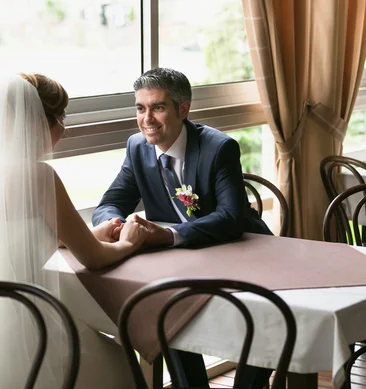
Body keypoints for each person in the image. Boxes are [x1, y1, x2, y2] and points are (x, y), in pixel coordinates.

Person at [0, 71, 148, 389]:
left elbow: (20, 239)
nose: (64, 130)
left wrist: (93, 234)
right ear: (37, 122)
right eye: (61, 118)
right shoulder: (40, 176)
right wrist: (129, 242)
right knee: (119, 359)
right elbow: (94, 259)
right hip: (27, 329)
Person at [92, 67, 273, 388]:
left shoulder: (219, 148)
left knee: (267, 331)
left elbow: (231, 217)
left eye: (158, 107)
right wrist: (114, 224)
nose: (147, 118)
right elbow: (112, 200)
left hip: (246, 255)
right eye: (140, 108)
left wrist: (166, 234)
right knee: (168, 312)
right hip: (183, 263)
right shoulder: (137, 147)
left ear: (183, 109)